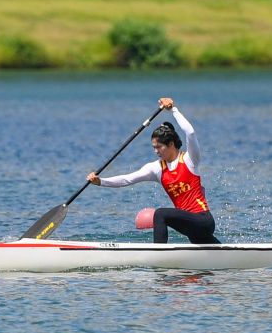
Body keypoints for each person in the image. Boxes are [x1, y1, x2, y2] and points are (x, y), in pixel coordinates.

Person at [89, 97, 218, 244]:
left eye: (159, 147)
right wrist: (100, 181)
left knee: (160, 214)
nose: (156, 151)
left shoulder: (190, 160)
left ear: (170, 144)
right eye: (153, 147)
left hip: (203, 220)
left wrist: (173, 110)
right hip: (189, 227)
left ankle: (158, 253)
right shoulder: (156, 168)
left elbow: (191, 133)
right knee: (212, 250)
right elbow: (127, 179)